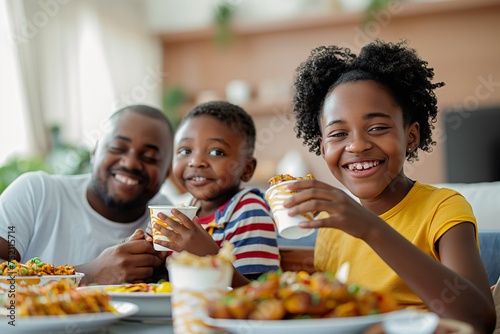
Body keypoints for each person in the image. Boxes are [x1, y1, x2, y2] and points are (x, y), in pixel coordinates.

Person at [283, 39, 496, 333]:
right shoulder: (329, 227)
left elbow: (477, 320)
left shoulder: (443, 209)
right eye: (338, 133)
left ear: (410, 137)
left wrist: (370, 229)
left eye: (377, 128)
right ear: (322, 147)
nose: (357, 145)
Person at [0, 105, 174, 285]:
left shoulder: (167, 217)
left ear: (167, 173)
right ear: (94, 151)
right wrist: (89, 275)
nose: (130, 163)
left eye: (150, 157)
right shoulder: (37, 192)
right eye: (117, 147)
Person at [152, 100, 280, 287]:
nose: (196, 162)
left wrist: (211, 259)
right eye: (185, 150)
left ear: (246, 168)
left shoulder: (248, 210)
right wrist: (156, 259)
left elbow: (257, 295)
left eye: (216, 152)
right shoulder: (189, 208)